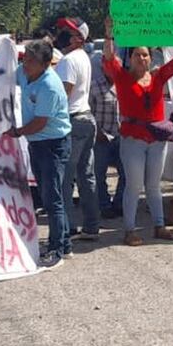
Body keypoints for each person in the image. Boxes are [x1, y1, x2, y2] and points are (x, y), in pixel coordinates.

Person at [102, 18, 173, 246]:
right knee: (133, 185)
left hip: (156, 140)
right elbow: (109, 59)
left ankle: (159, 226)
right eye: (137, 55)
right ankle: (129, 230)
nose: (142, 58)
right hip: (132, 140)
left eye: (145, 55)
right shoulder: (122, 77)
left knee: (153, 186)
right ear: (129, 58)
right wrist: (109, 33)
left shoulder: (158, 76)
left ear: (151, 58)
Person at [6, 40, 73, 269]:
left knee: (52, 198)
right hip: (38, 143)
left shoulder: (49, 85)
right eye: (25, 58)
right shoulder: (25, 74)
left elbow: (40, 123)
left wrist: (17, 132)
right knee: (49, 196)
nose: (26, 63)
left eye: (32, 60)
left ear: (45, 64)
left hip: (53, 144)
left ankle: (57, 249)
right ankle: (64, 243)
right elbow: (4, 76)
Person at [53, 17, 100, 241]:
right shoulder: (83, 57)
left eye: (68, 30)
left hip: (72, 120)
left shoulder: (68, 60)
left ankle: (68, 227)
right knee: (86, 176)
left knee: (65, 178)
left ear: (79, 38)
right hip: (87, 118)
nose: (62, 32)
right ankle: (91, 225)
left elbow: (63, 95)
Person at [90, 50, 126, 218]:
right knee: (99, 173)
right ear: (103, 67)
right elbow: (88, 112)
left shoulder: (124, 85)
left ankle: (119, 203)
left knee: (125, 173)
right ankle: (104, 206)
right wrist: (97, 132)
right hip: (101, 137)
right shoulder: (94, 86)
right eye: (109, 66)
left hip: (121, 136)